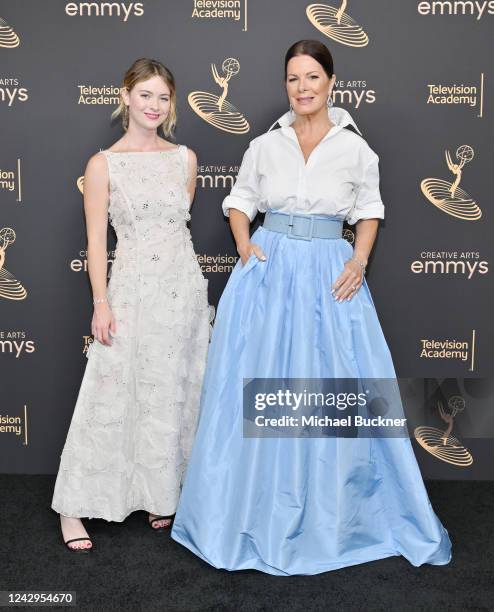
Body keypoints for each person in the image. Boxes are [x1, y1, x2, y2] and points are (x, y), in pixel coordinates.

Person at [171, 40, 452, 575]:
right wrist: (244, 245)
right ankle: (248, 512)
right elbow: (239, 201)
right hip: (269, 270)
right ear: (286, 85)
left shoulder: (355, 149)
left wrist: (359, 261)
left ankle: (338, 515)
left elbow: (369, 210)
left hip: (330, 272)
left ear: (331, 81)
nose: (303, 87)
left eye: (313, 77)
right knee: (254, 383)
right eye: (294, 78)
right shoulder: (263, 145)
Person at [52, 58, 211, 552]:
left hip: (182, 291)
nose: (154, 106)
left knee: (173, 392)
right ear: (125, 96)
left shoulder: (186, 157)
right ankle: (71, 507)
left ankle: (159, 492)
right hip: (131, 291)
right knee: (111, 392)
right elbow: (97, 242)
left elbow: (178, 226)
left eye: (163, 98)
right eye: (145, 95)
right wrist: (101, 303)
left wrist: (189, 294)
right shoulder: (103, 165)